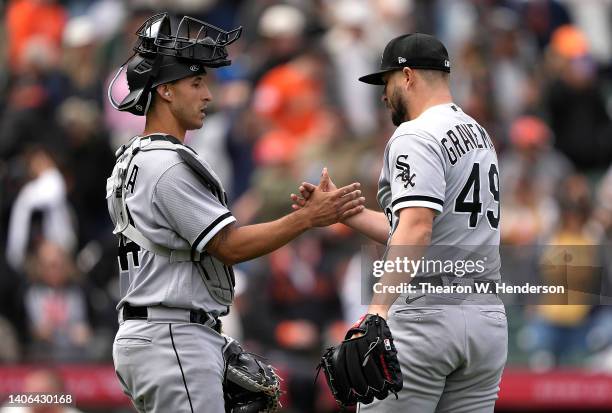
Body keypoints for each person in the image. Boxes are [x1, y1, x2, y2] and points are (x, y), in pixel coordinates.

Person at [105, 13, 364, 413]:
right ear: (166, 91)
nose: (208, 94)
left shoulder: (131, 159)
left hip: (155, 330)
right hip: (171, 332)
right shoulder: (167, 164)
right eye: (196, 83)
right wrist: (307, 218)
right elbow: (229, 246)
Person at [294, 33, 507, 412]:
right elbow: (419, 228)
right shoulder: (479, 134)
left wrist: (378, 308)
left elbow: (417, 227)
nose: (383, 94)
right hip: (485, 317)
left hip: (427, 313)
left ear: (407, 76)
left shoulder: (414, 133)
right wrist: (348, 211)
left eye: (387, 81)